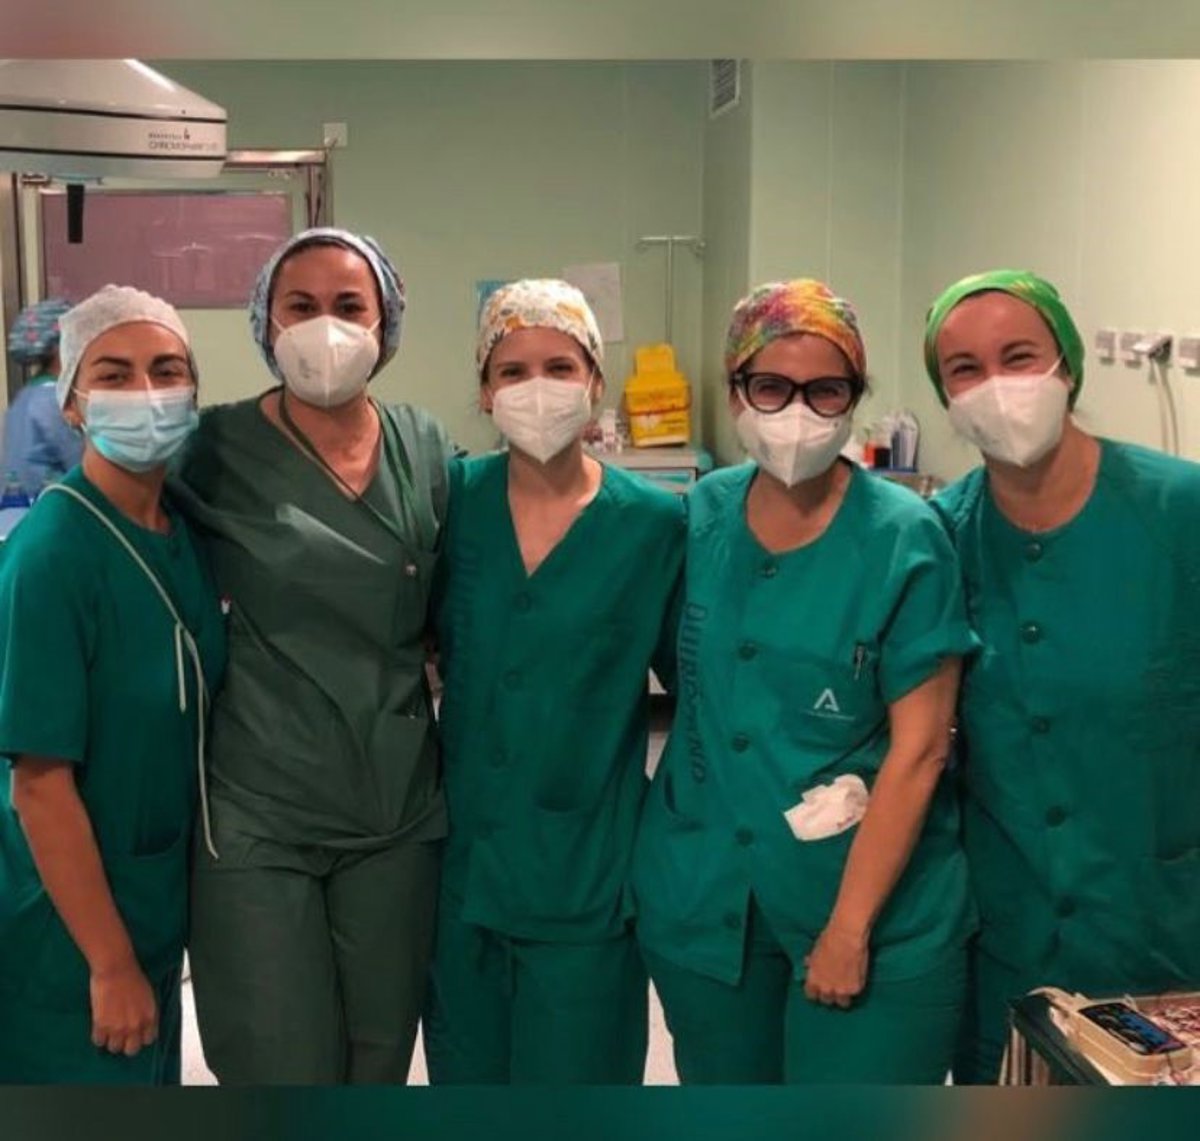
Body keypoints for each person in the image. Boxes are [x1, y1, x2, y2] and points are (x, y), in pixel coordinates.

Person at [632, 279, 978, 1084]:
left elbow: (922, 749)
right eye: (771, 387)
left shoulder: (904, 536)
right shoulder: (705, 512)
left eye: (826, 389)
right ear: (736, 392)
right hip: (705, 890)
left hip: (868, 906)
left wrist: (850, 926)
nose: (797, 411)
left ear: (855, 396)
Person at [170, 227, 455, 1085]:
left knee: (378, 1057)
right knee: (277, 1064)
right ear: (266, 322)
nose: (324, 326)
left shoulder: (423, 448)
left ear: (385, 323)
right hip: (259, 810)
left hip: (394, 808)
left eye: (348, 306)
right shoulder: (211, 450)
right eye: (300, 305)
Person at [924, 268, 1200, 1084]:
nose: (996, 386)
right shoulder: (941, 537)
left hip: (1164, 932)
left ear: (1067, 365)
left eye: (1018, 357)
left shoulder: (1179, 512)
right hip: (1006, 942)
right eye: (965, 369)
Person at [423, 279, 684, 1085]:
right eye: (513, 370)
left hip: (588, 878)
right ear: (484, 391)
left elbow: (701, 697)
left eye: (560, 366)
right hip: (463, 871)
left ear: (596, 382)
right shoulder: (451, 503)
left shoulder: (653, 525)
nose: (538, 388)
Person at [0, 285, 225, 1084]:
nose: (145, 392)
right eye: (114, 373)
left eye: (166, 370)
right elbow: (39, 786)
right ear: (71, 402)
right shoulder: (53, 555)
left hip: (149, 902)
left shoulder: (182, 534)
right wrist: (109, 961)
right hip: (68, 934)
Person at [2, 297, 83, 495]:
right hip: (51, 504)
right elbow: (84, 466)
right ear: (59, 347)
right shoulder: (54, 400)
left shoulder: (27, 395)